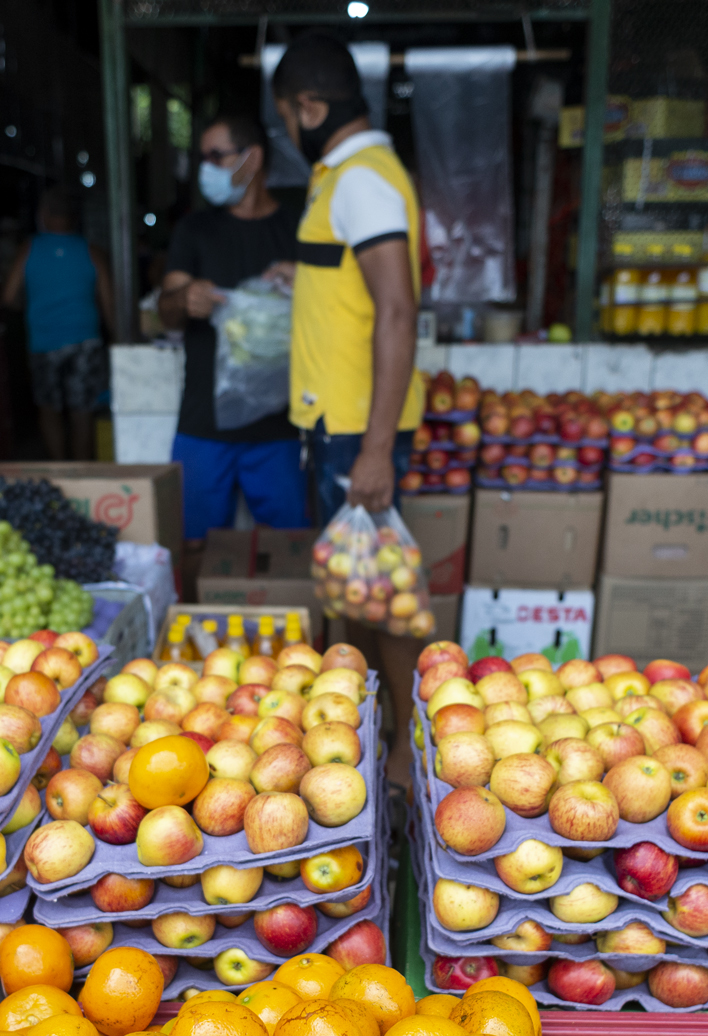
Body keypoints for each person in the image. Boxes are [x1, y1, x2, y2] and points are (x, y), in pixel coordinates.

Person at [271, 34, 426, 783]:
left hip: (356, 430)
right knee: (352, 589)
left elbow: (397, 310)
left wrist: (372, 450)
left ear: (310, 106)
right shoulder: (344, 179)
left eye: (285, 117)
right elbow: (353, 286)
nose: (286, 133)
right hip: (333, 423)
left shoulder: (363, 180)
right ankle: (364, 738)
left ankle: (403, 750)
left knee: (379, 592)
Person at [159, 114, 308, 545]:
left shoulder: (297, 228)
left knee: (291, 551)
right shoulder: (195, 230)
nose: (206, 166)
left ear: (252, 158)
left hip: (279, 428)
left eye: (216, 156)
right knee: (190, 548)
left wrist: (310, 283)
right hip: (204, 427)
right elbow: (165, 314)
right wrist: (184, 299)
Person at [3, 191, 113, 461]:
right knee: (82, 413)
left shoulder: (28, 249)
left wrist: (32, 306)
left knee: (49, 411)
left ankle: (59, 469)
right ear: (73, 219)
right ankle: (82, 471)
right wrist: (121, 341)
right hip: (85, 342)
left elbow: (8, 297)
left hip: (44, 343)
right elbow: (110, 306)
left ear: (43, 216)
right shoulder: (92, 251)